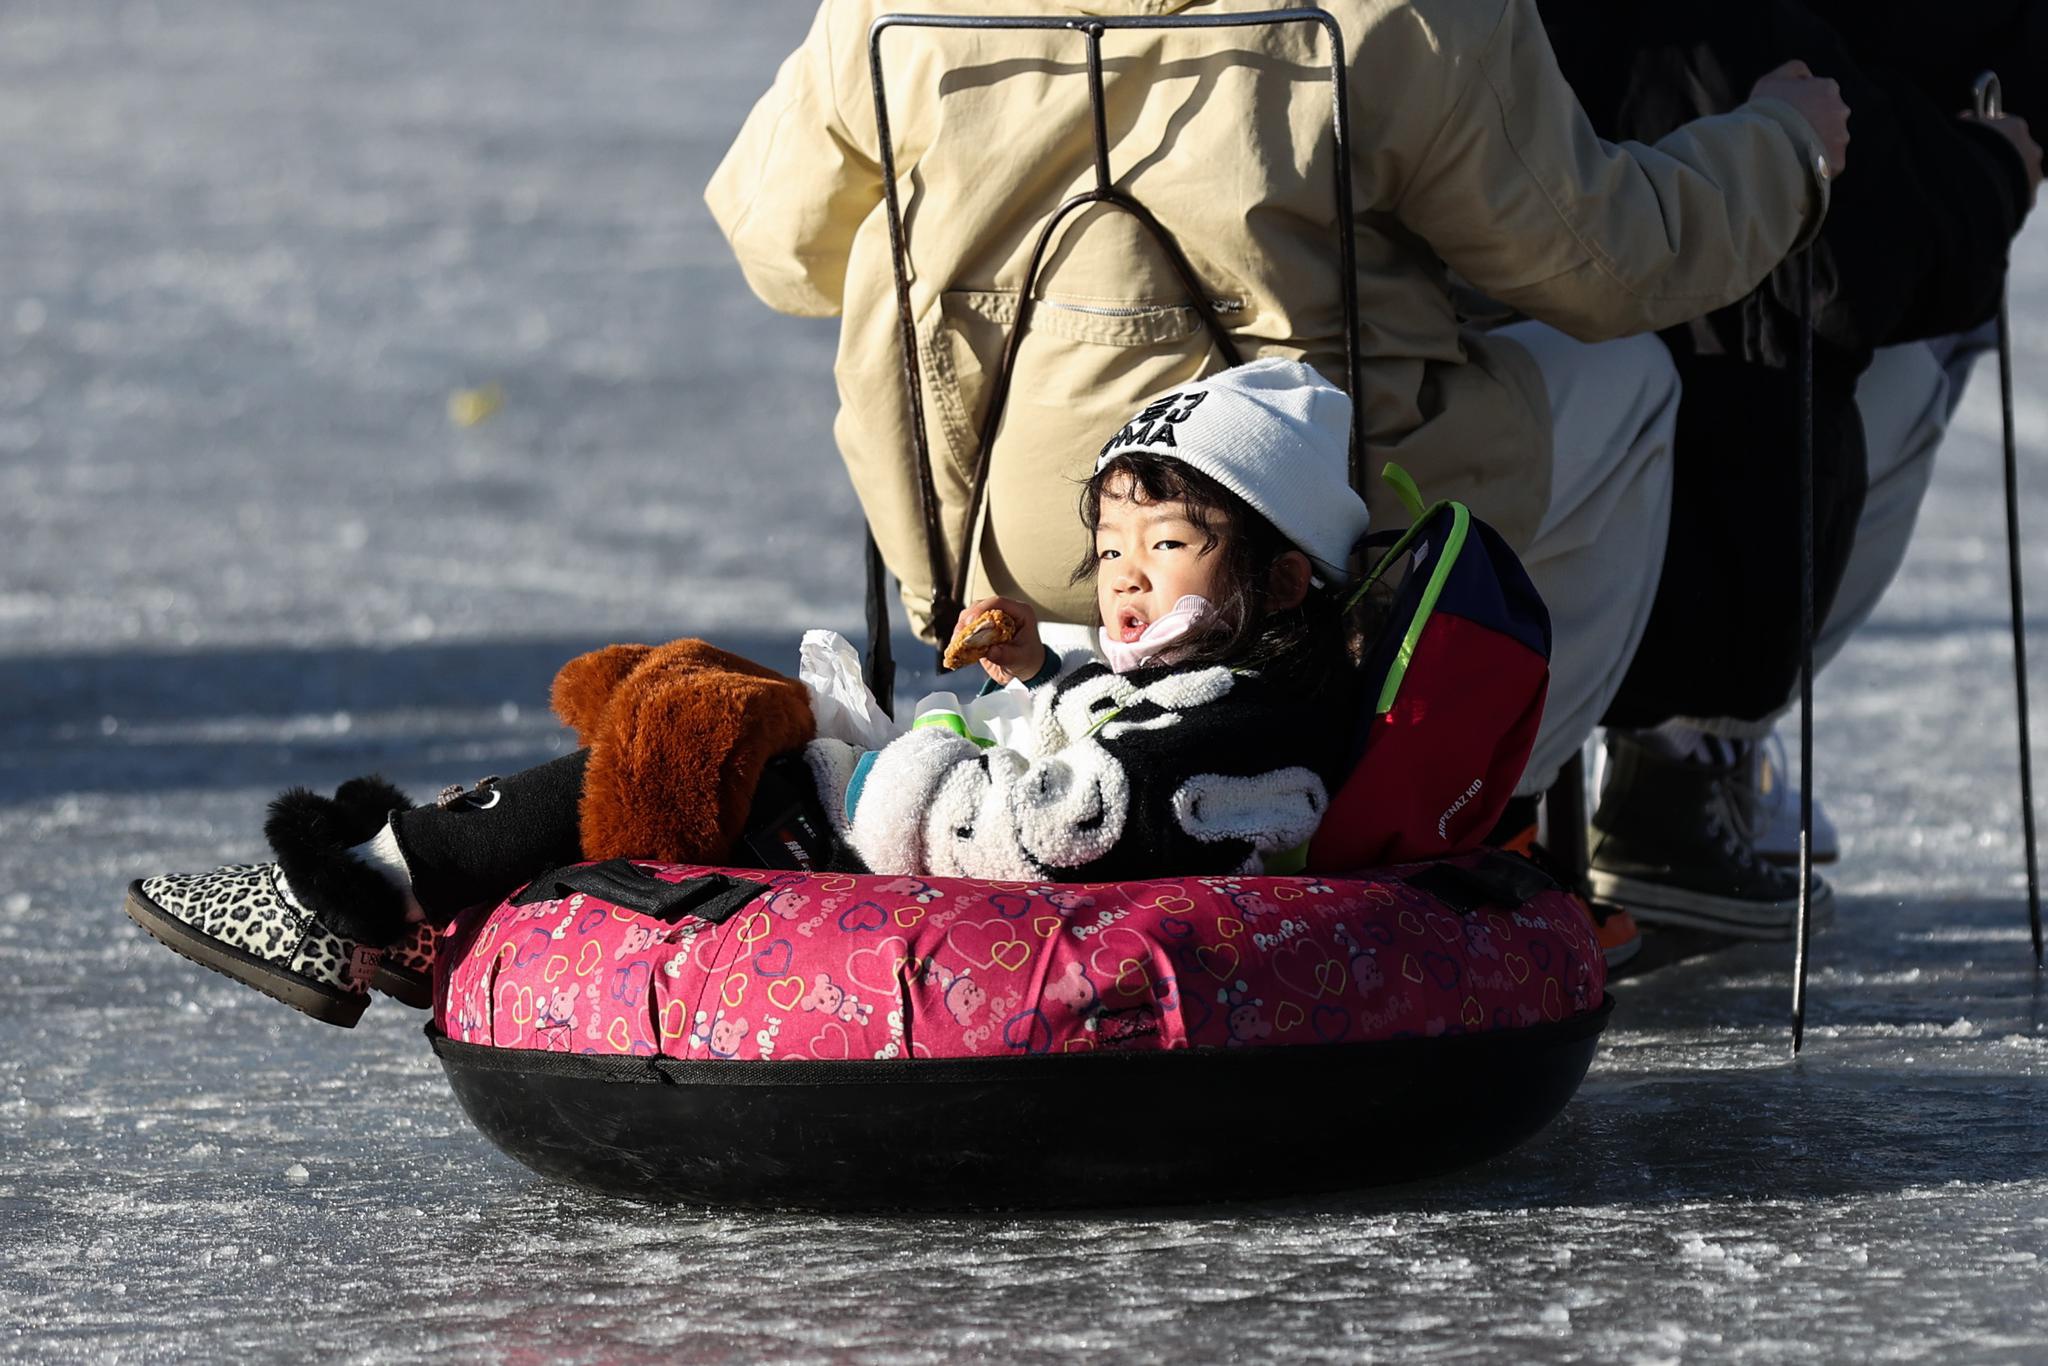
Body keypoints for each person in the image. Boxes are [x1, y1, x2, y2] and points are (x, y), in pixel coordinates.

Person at [707, 0, 1852, 958]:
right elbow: (1610, 264)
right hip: (1290, 555)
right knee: (1626, 373)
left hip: (993, 555)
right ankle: (1448, 813)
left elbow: (778, 248)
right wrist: (1781, 146)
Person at [125, 360, 1377, 1027]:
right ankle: (396, 895)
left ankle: (361, 891)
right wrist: (1032, 675)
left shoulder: (1251, 734)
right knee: (674, 679)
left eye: (1165, 548)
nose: (1122, 580)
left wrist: (911, 757)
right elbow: (1098, 728)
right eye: (1111, 550)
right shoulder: (1189, 676)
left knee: (693, 730)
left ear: (1276, 579)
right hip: (884, 800)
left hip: (874, 831)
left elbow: (1076, 822)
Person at [1529, 0, 2044, 936]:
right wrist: (1991, 168)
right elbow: (1853, 247)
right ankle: (1659, 761)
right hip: (1527, 489)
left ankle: (1641, 773)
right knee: (1624, 371)